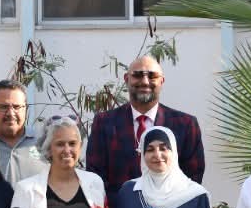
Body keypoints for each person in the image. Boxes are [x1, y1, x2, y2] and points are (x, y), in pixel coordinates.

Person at [85, 55, 206, 195]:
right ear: (126, 79)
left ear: (161, 81)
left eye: (152, 76)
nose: (145, 81)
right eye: (137, 75)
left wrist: (165, 204)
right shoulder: (104, 123)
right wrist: (125, 204)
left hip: (171, 206)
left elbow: (192, 178)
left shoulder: (186, 125)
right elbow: (96, 177)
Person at [0, 80, 47, 184]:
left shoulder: (43, 142)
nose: (10, 113)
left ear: (26, 109)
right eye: (3, 107)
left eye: (16, 107)